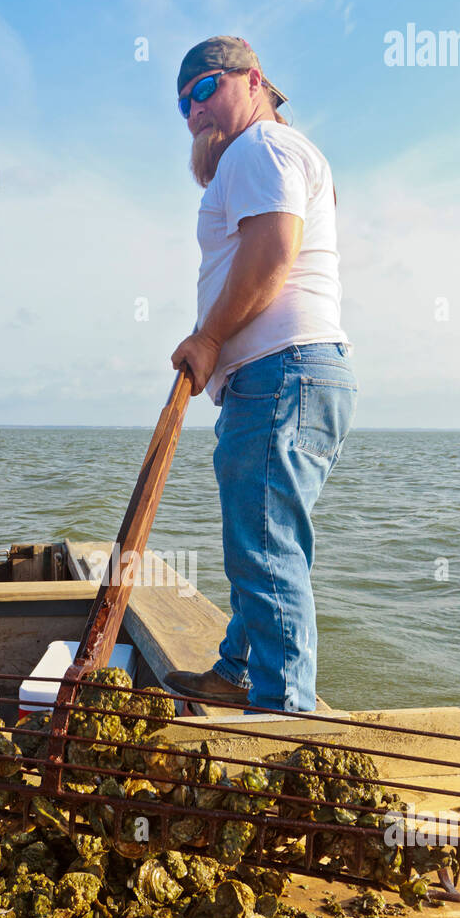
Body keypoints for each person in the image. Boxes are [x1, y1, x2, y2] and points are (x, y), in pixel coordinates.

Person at [165, 36, 357, 714]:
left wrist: (209, 337)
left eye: (203, 89)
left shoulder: (259, 147)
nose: (192, 111)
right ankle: (239, 672)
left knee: (265, 549)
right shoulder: (270, 152)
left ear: (253, 81)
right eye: (181, 102)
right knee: (263, 542)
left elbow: (275, 246)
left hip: (279, 374)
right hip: (293, 376)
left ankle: (282, 714)